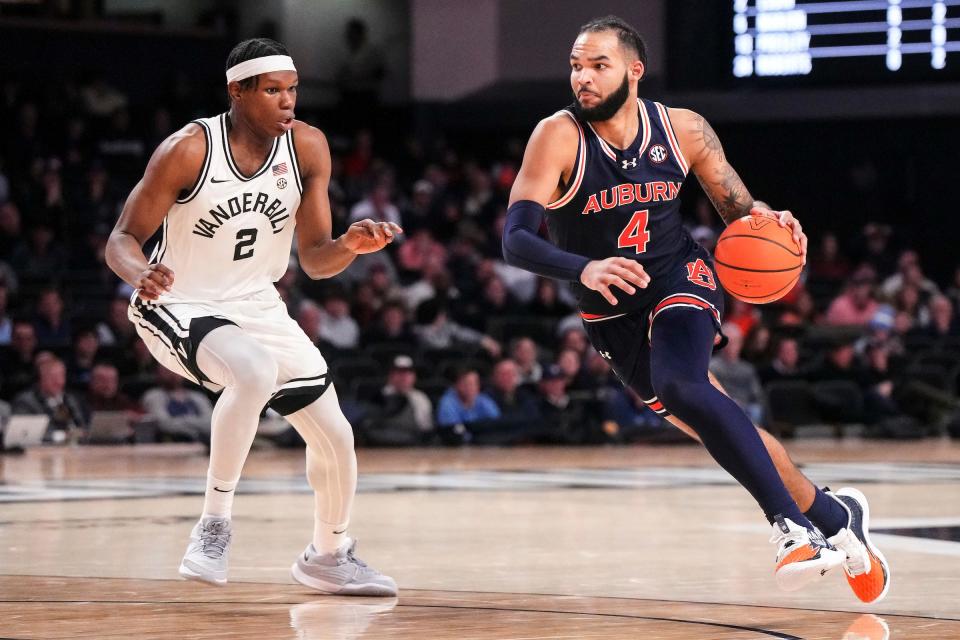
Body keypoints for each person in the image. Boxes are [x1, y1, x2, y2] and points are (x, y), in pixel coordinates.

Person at [502, 15, 888, 601]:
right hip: (610, 310)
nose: (582, 77)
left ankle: (792, 530)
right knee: (712, 418)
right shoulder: (557, 136)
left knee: (683, 384)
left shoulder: (681, 129)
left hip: (681, 277)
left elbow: (737, 206)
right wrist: (583, 267)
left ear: (635, 70)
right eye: (576, 65)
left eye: (598, 65)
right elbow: (516, 239)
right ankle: (836, 517)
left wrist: (767, 219)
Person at [104, 38, 398, 595]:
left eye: (292, 90)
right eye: (273, 91)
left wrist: (351, 246)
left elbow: (315, 260)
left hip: (257, 306)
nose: (287, 102)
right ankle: (213, 523)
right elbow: (121, 238)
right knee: (254, 371)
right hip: (177, 300)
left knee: (336, 436)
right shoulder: (188, 148)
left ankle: (329, 555)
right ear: (237, 92)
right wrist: (139, 272)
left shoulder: (308, 147)